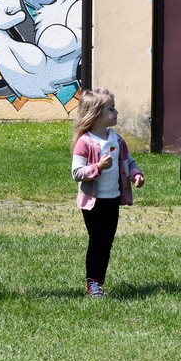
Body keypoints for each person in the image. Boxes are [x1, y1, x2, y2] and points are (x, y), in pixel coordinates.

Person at [71, 88, 144, 298]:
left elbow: (129, 161)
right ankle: (92, 282)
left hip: (112, 200)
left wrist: (135, 173)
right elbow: (76, 173)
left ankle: (99, 282)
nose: (116, 112)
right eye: (111, 109)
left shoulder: (117, 139)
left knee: (107, 241)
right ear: (96, 116)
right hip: (93, 204)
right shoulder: (85, 142)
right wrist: (98, 167)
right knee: (97, 240)